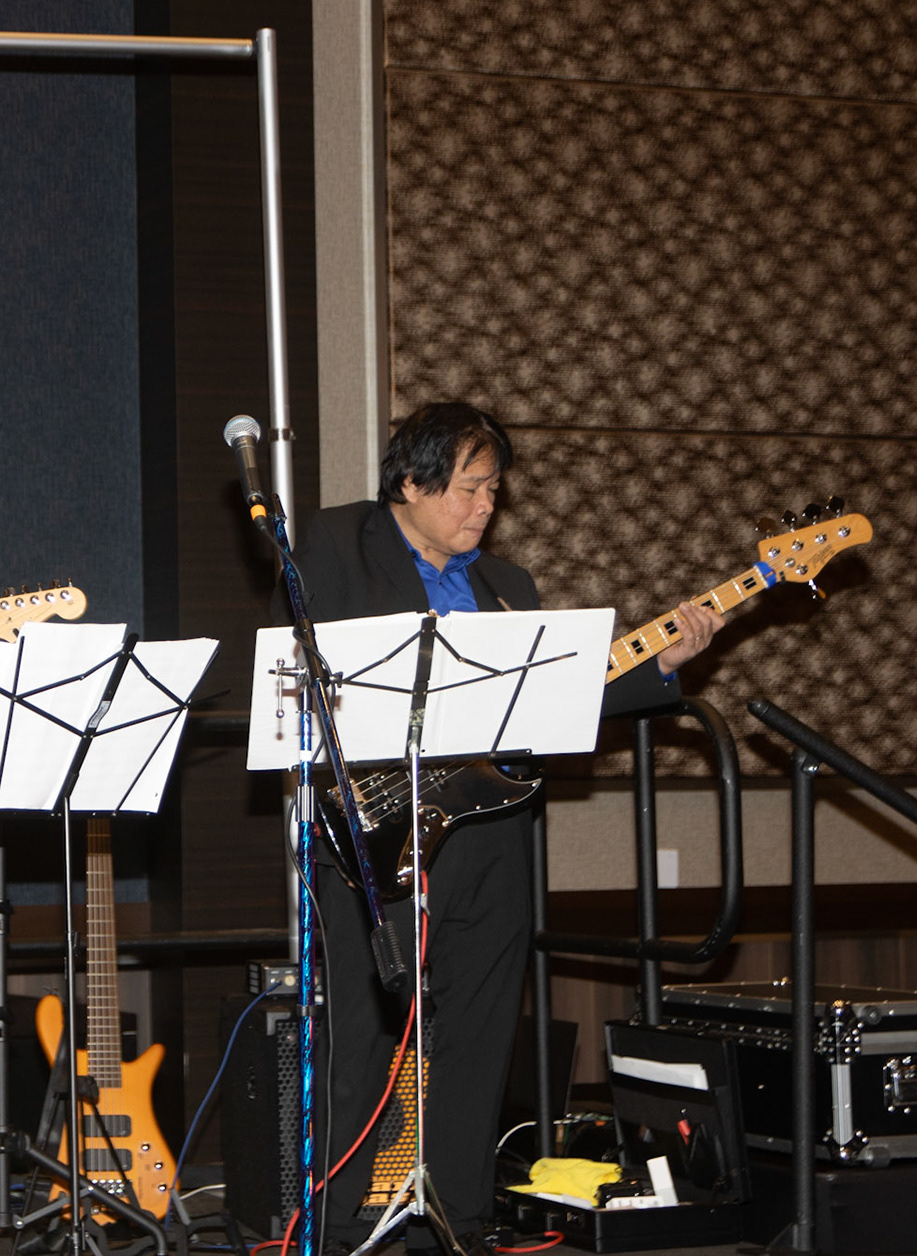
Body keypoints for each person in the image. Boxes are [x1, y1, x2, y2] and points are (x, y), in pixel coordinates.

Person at [284, 402, 721, 1252]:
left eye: (494, 489)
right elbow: (306, 673)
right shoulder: (338, 545)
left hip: (492, 836)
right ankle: (331, 1232)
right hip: (378, 832)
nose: (487, 506)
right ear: (412, 484)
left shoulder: (509, 587)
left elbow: (557, 703)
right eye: (470, 488)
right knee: (362, 1040)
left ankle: (461, 1222)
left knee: (481, 1036)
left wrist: (661, 666)